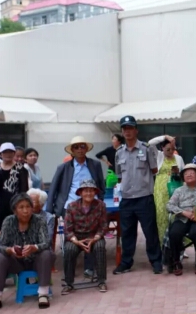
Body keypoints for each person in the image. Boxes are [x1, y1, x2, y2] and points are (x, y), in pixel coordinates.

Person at [47, 136, 106, 279]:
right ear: (72, 150)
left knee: (91, 234)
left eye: (82, 146)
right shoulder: (63, 167)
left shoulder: (95, 164)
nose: (80, 149)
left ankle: (89, 268)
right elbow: (53, 187)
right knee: (70, 237)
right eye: (76, 147)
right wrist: (50, 209)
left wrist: (100, 200)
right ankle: (69, 270)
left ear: (86, 149)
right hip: (70, 206)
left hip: (91, 205)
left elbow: (100, 184)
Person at [114, 115, 163, 275]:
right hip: (127, 199)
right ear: (122, 132)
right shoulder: (119, 152)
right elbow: (119, 176)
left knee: (150, 232)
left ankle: (156, 261)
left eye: (130, 128)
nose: (127, 131)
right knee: (127, 233)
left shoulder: (146, 148)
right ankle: (126, 263)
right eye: (124, 129)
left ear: (136, 130)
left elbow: (154, 170)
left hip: (144, 198)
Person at [0, 193, 53, 311]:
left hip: (36, 260)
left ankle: (43, 294)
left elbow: (46, 242)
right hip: (16, 262)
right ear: (15, 210)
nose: (25, 210)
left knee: (46, 254)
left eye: (28, 207)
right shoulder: (8, 221)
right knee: (0, 257)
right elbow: (0, 245)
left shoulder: (39, 220)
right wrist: (10, 250)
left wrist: (34, 247)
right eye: (21, 207)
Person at [62, 179, 108, 294]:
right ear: (80, 193)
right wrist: (76, 241)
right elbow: (67, 229)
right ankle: (68, 283)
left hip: (94, 236)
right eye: (86, 191)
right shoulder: (71, 206)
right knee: (69, 249)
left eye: (91, 191)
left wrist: (94, 239)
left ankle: (101, 281)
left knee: (100, 247)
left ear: (95, 192)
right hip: (76, 238)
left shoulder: (101, 205)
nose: (89, 193)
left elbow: (103, 226)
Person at [165, 163, 196, 275]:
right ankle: (176, 261)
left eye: (192, 173)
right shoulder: (179, 190)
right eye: (186, 173)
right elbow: (169, 205)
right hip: (182, 218)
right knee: (174, 233)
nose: (189, 175)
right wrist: (183, 212)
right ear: (183, 177)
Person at [148, 135, 185, 243]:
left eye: (173, 149)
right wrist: (165, 137)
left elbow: (184, 174)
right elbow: (150, 143)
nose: (171, 152)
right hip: (161, 191)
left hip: (176, 190)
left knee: (176, 215)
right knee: (161, 216)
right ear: (162, 148)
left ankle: (177, 244)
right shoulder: (158, 155)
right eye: (168, 149)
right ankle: (163, 244)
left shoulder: (178, 158)